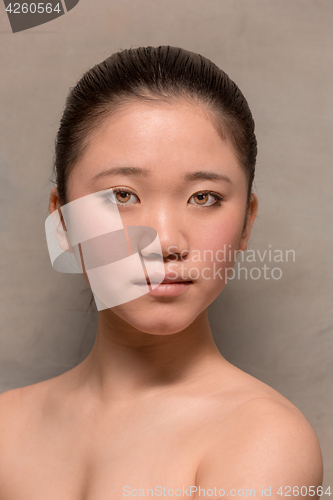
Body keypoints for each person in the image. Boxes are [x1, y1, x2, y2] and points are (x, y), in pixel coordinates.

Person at [0, 46, 323, 499]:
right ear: (63, 221)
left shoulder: (265, 440)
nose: (168, 242)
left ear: (247, 221)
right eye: (122, 195)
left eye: (204, 197)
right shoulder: (5, 428)